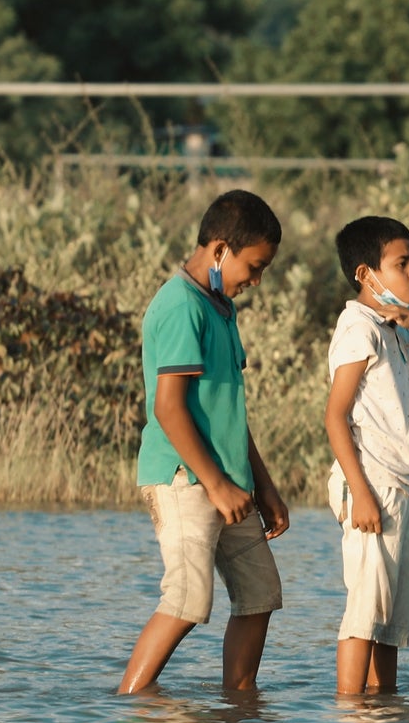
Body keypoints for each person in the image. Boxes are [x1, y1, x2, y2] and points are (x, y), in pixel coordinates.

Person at [118, 189, 293, 694]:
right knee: (188, 599)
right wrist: (216, 484)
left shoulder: (220, 309)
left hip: (226, 478)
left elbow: (230, 411)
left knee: (260, 594)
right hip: (183, 476)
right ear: (220, 250)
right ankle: (127, 703)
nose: (256, 281)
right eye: (253, 267)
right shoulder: (179, 306)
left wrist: (264, 487)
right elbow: (169, 409)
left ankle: (239, 707)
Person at [324, 216, 409, 694]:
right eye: (402, 263)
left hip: (406, 482)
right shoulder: (358, 327)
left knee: (394, 616)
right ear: (366, 274)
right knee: (366, 609)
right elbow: (336, 417)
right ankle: (351, 715)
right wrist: (361, 494)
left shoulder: (395, 328)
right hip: (373, 482)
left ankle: (385, 708)